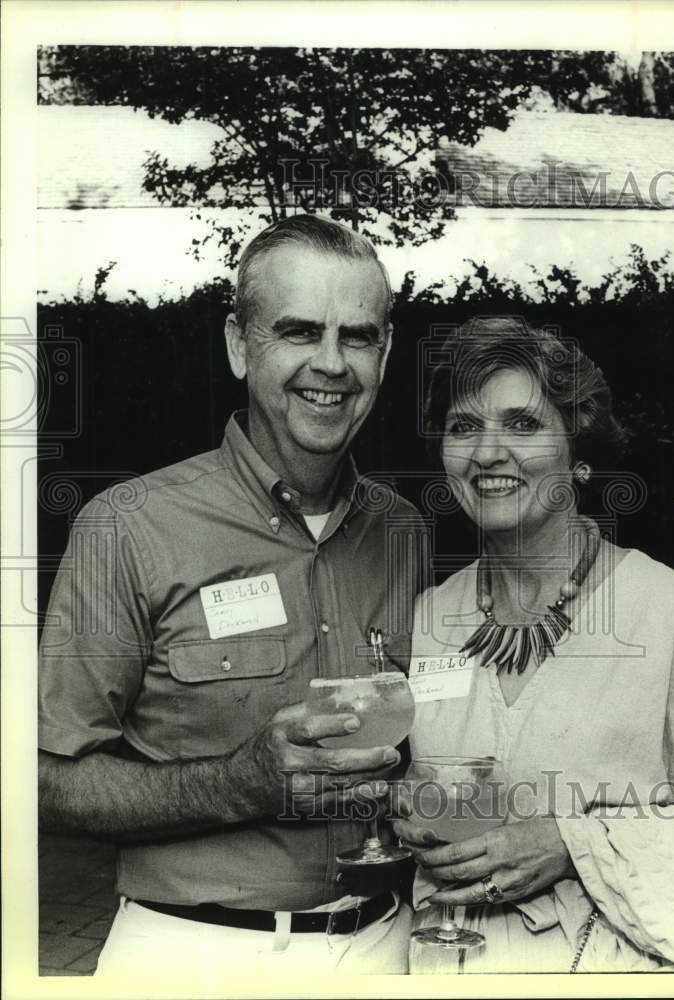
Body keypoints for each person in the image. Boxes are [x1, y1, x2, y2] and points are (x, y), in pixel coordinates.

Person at [38, 216, 429, 978]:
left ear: (384, 353)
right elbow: (46, 782)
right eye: (298, 331)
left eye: (358, 336)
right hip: (192, 956)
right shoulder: (128, 528)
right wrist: (239, 783)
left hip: (389, 947)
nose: (331, 364)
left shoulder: (404, 531)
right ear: (239, 344)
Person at [393, 315, 674, 973]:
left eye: (522, 424)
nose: (486, 453)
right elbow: (422, 784)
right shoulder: (427, 617)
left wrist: (573, 842)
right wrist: (403, 802)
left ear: (582, 452)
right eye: (462, 427)